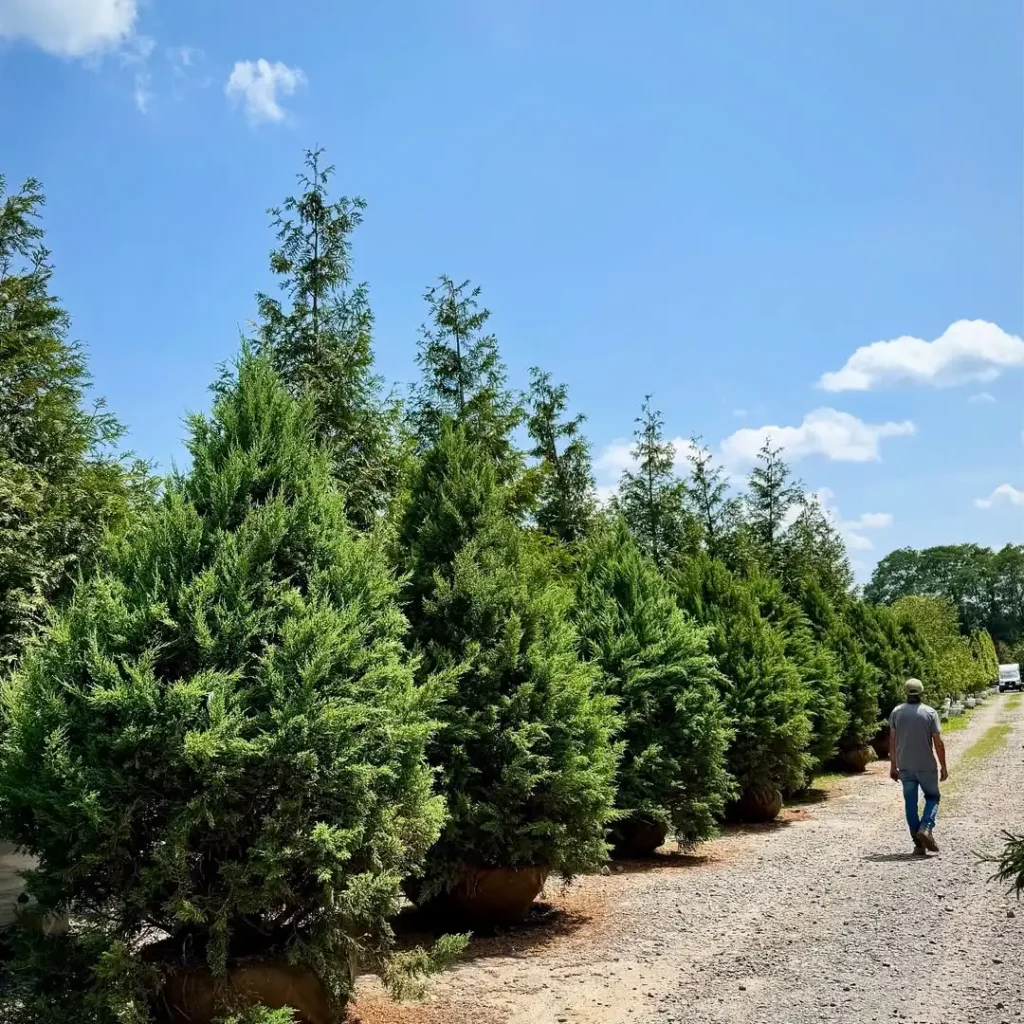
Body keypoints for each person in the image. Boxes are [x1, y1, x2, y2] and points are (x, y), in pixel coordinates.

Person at [889, 678, 948, 856]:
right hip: (926, 765)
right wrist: (943, 766)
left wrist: (893, 765)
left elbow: (892, 740)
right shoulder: (930, 713)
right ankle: (926, 827)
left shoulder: (896, 712)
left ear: (905, 693)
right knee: (933, 796)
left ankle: (918, 843)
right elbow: (938, 743)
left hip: (905, 766)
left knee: (910, 804)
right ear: (922, 692)